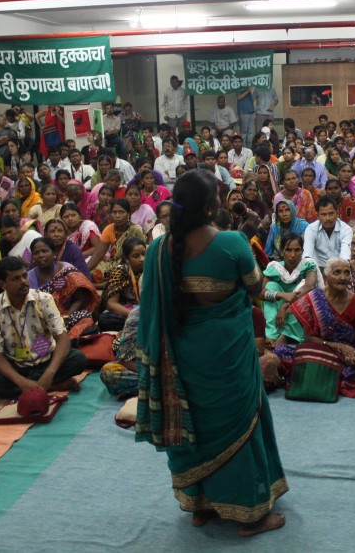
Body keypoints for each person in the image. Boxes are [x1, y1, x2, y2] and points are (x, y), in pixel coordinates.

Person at [134, 169, 287, 536]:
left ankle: (201, 505)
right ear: (209, 208)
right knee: (240, 427)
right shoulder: (232, 243)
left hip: (183, 357)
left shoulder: (158, 249)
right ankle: (251, 515)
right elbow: (255, 287)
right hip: (227, 354)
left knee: (195, 426)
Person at [0, 256, 86, 397]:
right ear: (3, 285)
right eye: (16, 279)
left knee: (78, 359)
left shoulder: (44, 299)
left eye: (24, 276)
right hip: (15, 365)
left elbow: (62, 338)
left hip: (45, 359)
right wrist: (21, 381)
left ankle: (37, 385)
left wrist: (50, 372)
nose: (23, 282)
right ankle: (52, 387)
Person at [289, 258, 355, 397]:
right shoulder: (314, 298)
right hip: (321, 350)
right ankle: (333, 378)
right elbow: (309, 338)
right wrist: (338, 346)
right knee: (283, 352)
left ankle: (325, 377)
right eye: (337, 272)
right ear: (326, 277)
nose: (343, 277)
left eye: (347, 273)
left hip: (348, 356)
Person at [27, 237, 99, 339]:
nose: (41, 255)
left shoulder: (66, 270)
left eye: (45, 251)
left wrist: (64, 318)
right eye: (36, 253)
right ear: (33, 257)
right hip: (42, 322)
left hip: (66, 317)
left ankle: (67, 343)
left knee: (84, 318)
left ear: (53, 253)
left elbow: (81, 299)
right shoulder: (29, 277)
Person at [262, 233, 320, 350]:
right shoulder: (275, 267)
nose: (292, 255)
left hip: (295, 306)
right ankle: (272, 335)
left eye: (297, 250)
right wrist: (282, 295)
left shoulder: (308, 265)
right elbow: (261, 291)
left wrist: (286, 307)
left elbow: (309, 286)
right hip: (280, 304)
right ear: (282, 251)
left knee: (304, 290)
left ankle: (286, 335)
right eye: (288, 250)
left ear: (303, 251)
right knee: (271, 285)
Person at [302, 196, 352, 270]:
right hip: (317, 269)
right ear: (318, 216)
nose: (328, 218)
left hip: (339, 269)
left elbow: (345, 257)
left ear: (337, 213)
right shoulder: (311, 229)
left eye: (331, 213)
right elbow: (307, 256)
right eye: (323, 214)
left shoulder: (346, 230)